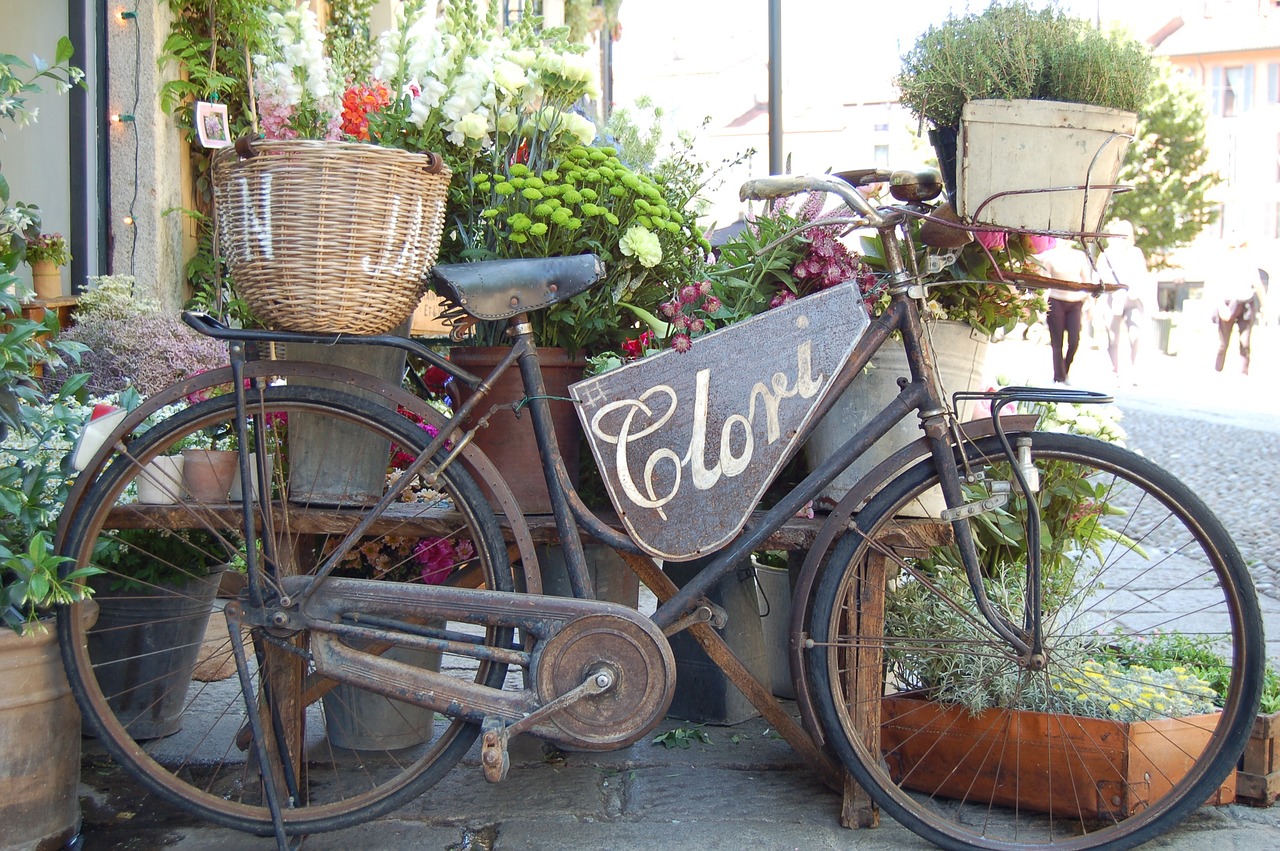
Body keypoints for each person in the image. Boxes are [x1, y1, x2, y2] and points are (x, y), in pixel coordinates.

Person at [1097, 220, 1156, 384]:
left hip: (1133, 298)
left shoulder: (1136, 253)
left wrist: (1138, 291)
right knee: (1113, 337)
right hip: (1113, 299)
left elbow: (1142, 275)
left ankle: (1133, 369)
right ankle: (1114, 370)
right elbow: (1100, 276)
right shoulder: (1106, 254)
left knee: (1135, 334)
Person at [1034, 240, 1096, 384]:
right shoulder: (1050, 256)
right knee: (1057, 343)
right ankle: (1059, 377)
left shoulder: (1079, 256)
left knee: (1074, 341)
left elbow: (1087, 281)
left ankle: (1064, 372)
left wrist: (1091, 304)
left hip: (1075, 302)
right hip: (1056, 301)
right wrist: (1038, 305)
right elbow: (1042, 281)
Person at [1211, 241, 1267, 375]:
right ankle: (1218, 370)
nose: (1238, 250)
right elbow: (1216, 287)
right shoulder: (1224, 265)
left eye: (1241, 246)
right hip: (1228, 303)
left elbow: (1258, 285)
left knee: (1245, 341)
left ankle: (1243, 372)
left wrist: (1265, 306)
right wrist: (1221, 307)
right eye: (1234, 246)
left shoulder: (1250, 265)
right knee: (1223, 343)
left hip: (1246, 302)